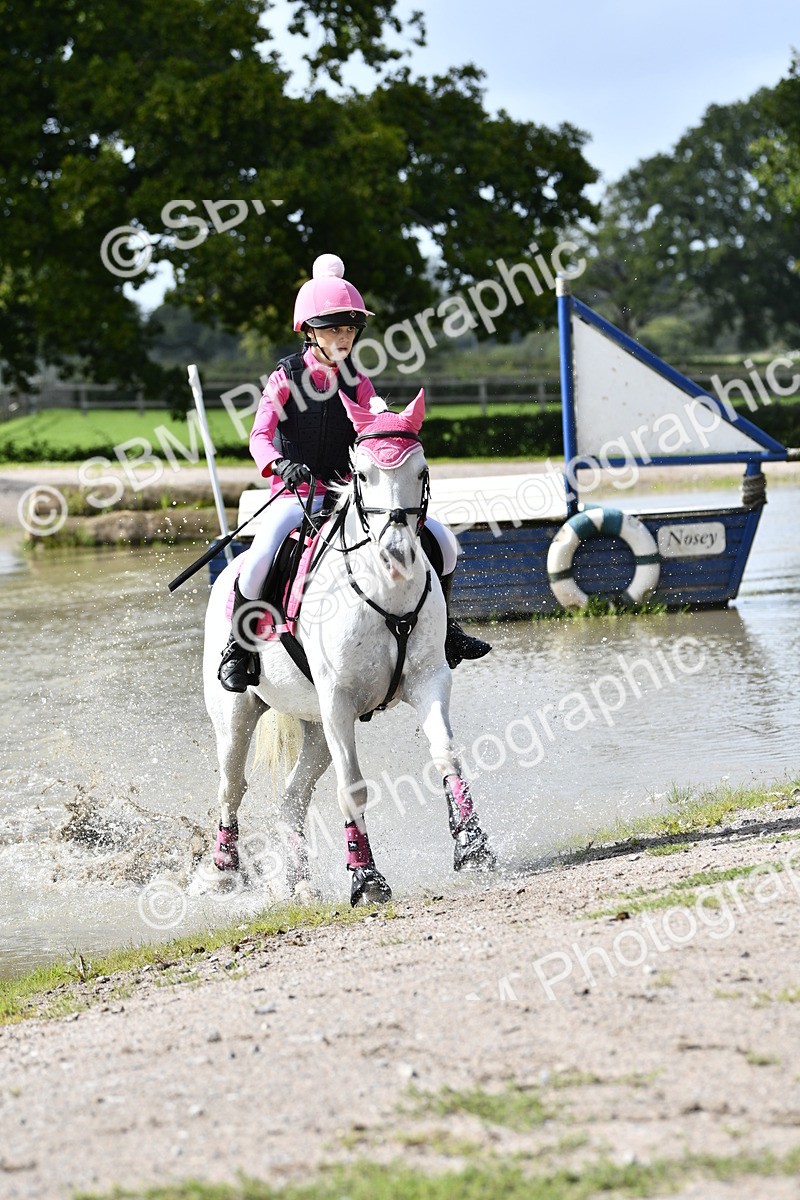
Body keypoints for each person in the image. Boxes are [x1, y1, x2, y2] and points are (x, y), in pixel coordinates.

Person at [218, 253, 491, 692]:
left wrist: (391, 425)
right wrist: (278, 463)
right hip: (297, 496)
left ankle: (445, 630)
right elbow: (258, 437)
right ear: (310, 332)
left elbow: (375, 415)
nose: (343, 337)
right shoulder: (285, 377)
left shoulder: (357, 379)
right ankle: (241, 649)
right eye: (332, 329)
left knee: (443, 542)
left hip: (351, 495)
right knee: (259, 560)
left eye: (348, 329)